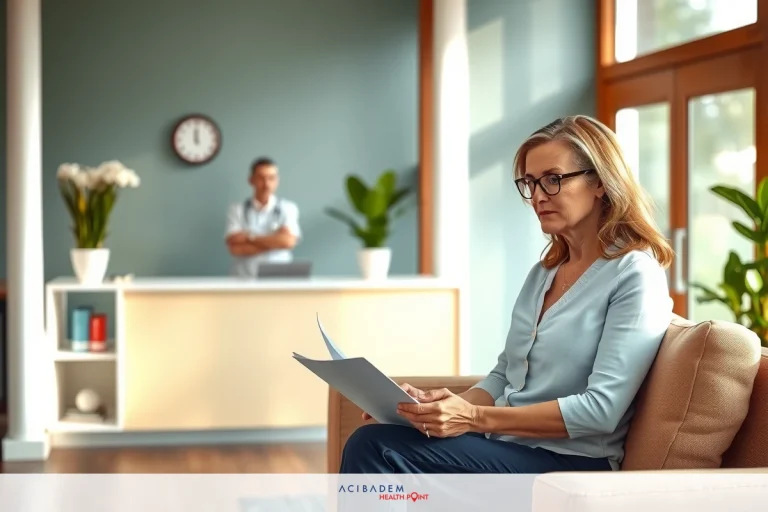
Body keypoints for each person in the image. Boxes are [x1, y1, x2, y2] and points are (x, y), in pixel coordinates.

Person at [339, 115, 675, 474]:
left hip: (571, 462)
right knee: (383, 433)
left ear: (600, 183)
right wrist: (436, 409)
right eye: (531, 183)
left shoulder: (634, 274)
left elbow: (600, 411)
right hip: (505, 446)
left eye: (553, 180)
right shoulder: (543, 273)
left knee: (375, 446)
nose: (538, 197)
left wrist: (473, 418)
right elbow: (504, 375)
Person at [225, 157, 301, 277]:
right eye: (261, 178)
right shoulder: (237, 209)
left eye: (271, 178)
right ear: (251, 180)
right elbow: (235, 249)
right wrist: (276, 241)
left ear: (277, 180)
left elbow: (288, 242)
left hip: (280, 281)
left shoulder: (289, 208)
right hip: (244, 281)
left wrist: (249, 237)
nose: (266, 184)